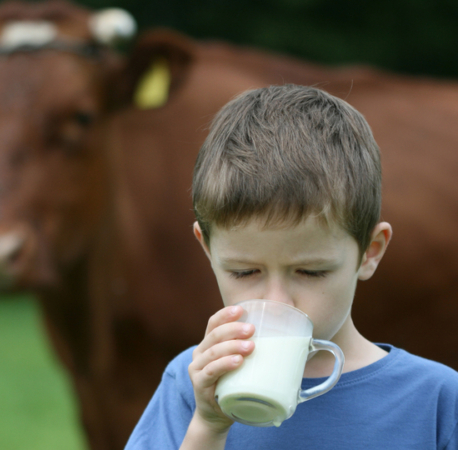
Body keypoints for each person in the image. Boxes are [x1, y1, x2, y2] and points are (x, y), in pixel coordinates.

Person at [125, 84, 458, 449]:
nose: (277, 300)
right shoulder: (194, 383)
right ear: (207, 250)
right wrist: (208, 426)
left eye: (311, 272)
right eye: (244, 271)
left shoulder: (436, 400)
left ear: (370, 252)